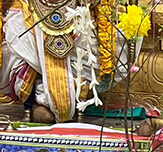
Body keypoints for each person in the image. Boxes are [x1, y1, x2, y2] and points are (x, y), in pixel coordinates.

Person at [0, 0, 139, 122]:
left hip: (80, 16)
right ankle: (37, 100)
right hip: (29, 13)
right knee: (17, 39)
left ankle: (65, 99)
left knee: (97, 45)